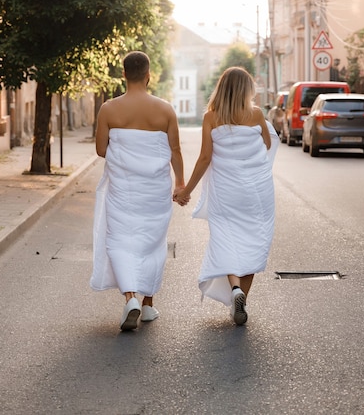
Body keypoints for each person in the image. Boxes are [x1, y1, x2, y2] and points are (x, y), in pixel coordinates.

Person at [174, 66, 279, 325]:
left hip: (226, 191)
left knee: (227, 240)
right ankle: (242, 298)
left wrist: (186, 190)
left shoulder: (211, 117)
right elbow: (267, 144)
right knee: (255, 241)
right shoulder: (256, 114)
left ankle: (235, 290)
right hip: (257, 191)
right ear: (247, 90)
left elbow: (205, 157)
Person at [90, 51, 186, 331]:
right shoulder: (165, 109)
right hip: (155, 190)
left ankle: (129, 297)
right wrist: (180, 185)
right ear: (148, 75)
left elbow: (100, 149)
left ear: (123, 74)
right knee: (152, 243)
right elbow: (175, 151)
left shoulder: (108, 109)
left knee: (119, 240)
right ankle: (147, 305)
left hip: (123, 189)